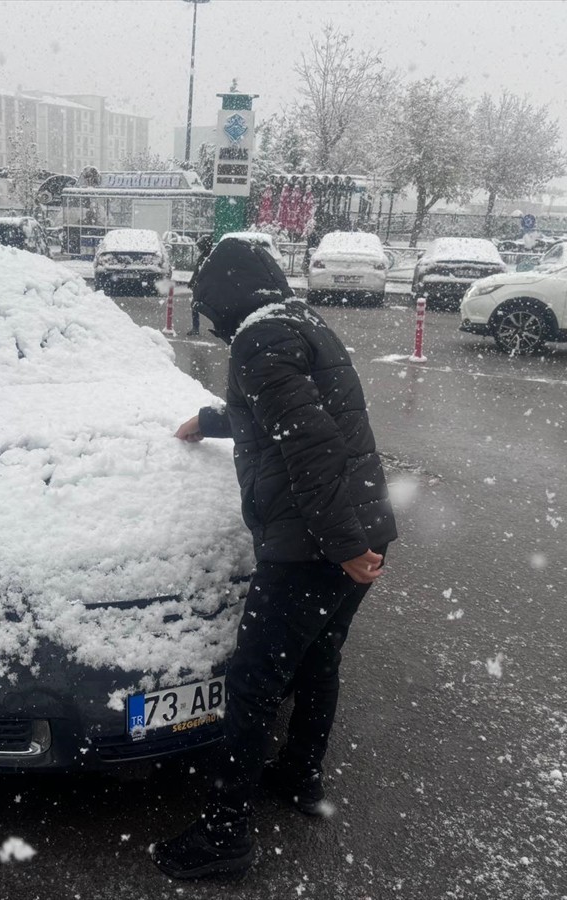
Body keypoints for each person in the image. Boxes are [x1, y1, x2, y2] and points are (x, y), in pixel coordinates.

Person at [153, 237, 398, 880]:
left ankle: (225, 833)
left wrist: (342, 548)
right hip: (362, 526)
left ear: (223, 303)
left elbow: (310, 442)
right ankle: (300, 777)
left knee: (255, 683)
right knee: (318, 660)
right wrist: (211, 419)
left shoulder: (258, 341)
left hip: (314, 546)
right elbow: (291, 413)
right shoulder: (299, 323)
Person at [185, 235, 214, 335]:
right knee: (197, 306)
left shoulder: (207, 257)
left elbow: (201, 272)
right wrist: (192, 281)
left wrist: (194, 281)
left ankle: (196, 328)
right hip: (203, 286)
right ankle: (196, 328)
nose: (198, 248)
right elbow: (197, 271)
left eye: (200, 246)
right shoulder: (207, 256)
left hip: (204, 286)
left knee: (196, 305)